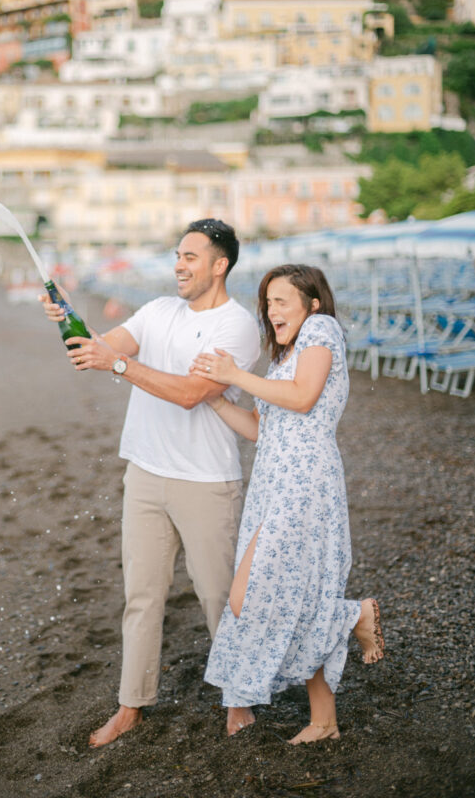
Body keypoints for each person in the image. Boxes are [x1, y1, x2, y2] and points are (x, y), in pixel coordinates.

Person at [40, 220, 262, 747]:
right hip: (144, 471)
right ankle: (130, 706)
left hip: (206, 481)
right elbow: (92, 349)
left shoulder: (239, 326)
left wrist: (117, 363)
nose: (179, 265)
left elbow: (191, 392)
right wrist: (69, 320)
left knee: (216, 598)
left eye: (190, 256)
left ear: (219, 264)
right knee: (141, 597)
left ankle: (239, 700)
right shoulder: (159, 311)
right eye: (177, 256)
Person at [190, 264, 384, 743]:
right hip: (273, 482)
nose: (271, 310)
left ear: (311, 303)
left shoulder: (322, 329)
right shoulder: (283, 358)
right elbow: (260, 428)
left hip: (305, 482)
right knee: (295, 595)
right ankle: (324, 721)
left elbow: (303, 398)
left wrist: (236, 373)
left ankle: (353, 616)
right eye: (267, 302)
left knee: (249, 594)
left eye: (281, 300)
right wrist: (214, 399)